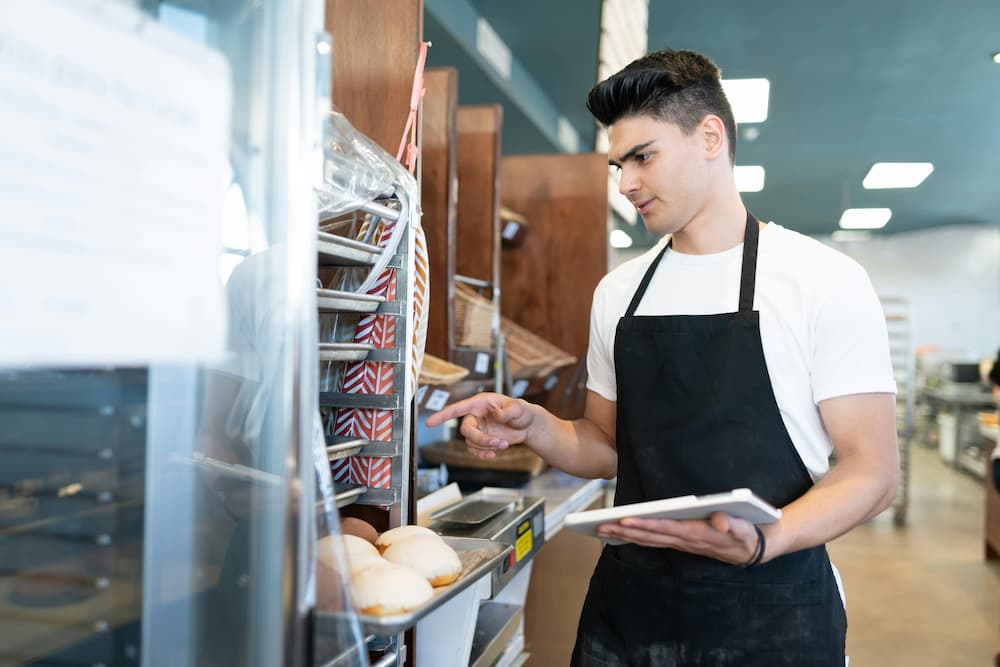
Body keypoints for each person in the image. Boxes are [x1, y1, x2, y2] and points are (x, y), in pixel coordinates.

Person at [427, 48, 899, 666]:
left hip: (774, 610)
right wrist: (536, 425)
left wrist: (768, 539)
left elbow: (873, 472)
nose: (625, 184)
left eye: (643, 157)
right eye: (618, 165)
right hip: (630, 611)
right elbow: (604, 447)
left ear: (710, 136)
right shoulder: (620, 292)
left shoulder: (821, 280)